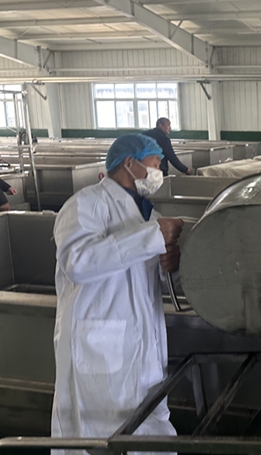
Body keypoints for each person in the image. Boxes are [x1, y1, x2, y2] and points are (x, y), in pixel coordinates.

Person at [51, 134, 184, 451]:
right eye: (155, 163)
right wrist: (152, 237)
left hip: (144, 343)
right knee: (99, 432)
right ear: (130, 163)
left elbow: (143, 273)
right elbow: (78, 262)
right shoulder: (85, 204)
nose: (158, 171)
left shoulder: (146, 212)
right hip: (101, 346)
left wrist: (169, 264)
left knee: (149, 424)